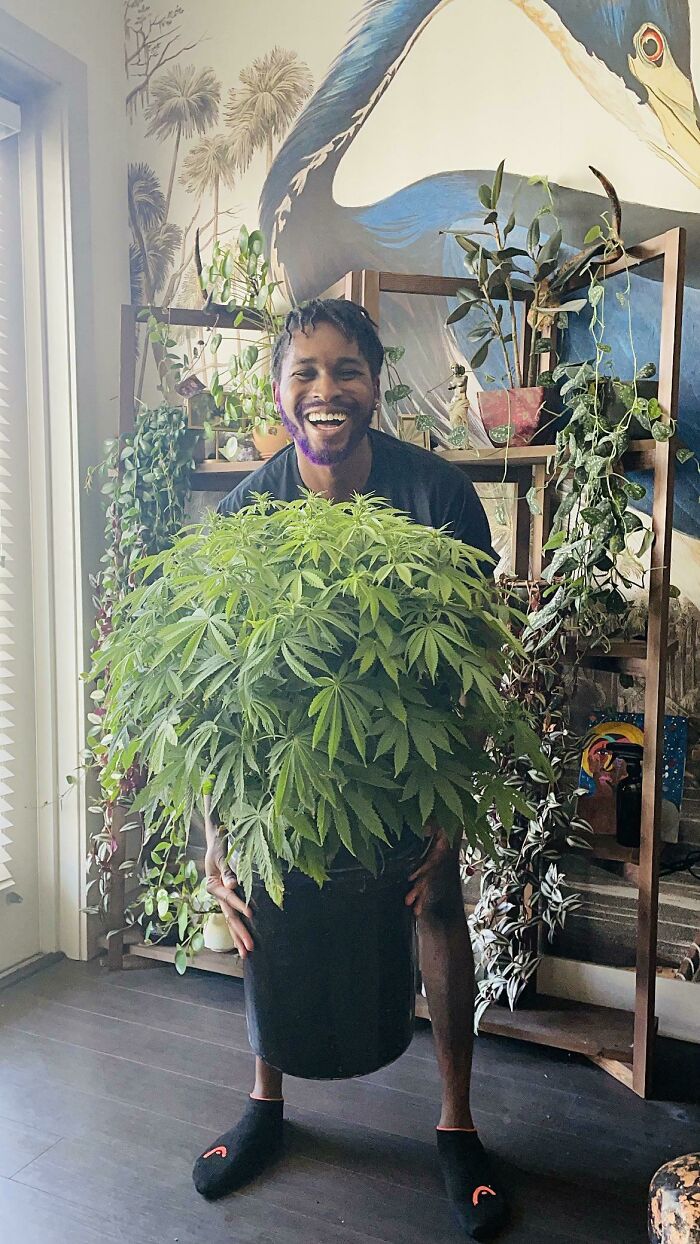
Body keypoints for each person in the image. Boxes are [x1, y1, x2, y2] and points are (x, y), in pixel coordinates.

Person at [192, 298, 507, 1241]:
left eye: (346, 371)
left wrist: (451, 789)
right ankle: (266, 1100)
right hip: (285, 768)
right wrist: (219, 827)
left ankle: (456, 1124)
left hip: (407, 764)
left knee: (437, 901)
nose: (325, 390)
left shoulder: (439, 496)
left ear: (376, 386)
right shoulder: (249, 510)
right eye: (305, 372)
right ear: (280, 391)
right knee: (261, 895)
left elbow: (475, 655)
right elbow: (222, 696)